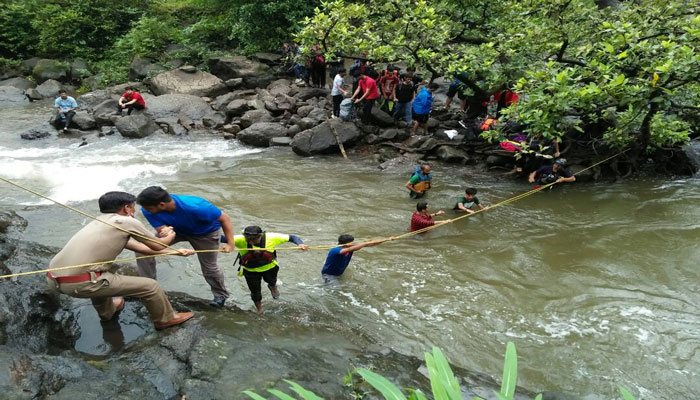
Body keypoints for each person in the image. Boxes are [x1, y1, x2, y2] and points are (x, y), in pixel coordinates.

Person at [46, 191, 195, 330]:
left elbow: (142, 248)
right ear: (126, 208)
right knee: (150, 286)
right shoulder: (126, 222)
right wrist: (170, 233)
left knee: (101, 272)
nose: (134, 211)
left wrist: (176, 252)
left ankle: (107, 312)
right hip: (80, 283)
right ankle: (165, 319)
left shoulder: (99, 222)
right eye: (133, 207)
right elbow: (157, 245)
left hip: (54, 280)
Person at [135, 186, 235, 308]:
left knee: (210, 267)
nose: (146, 211)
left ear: (161, 205)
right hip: (176, 231)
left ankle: (221, 295)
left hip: (205, 233)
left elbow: (225, 219)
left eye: (149, 208)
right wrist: (164, 230)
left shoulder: (196, 206)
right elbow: (161, 228)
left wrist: (230, 243)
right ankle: (149, 285)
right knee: (143, 249)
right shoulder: (147, 210)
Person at [232, 226, 308, 312]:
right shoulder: (239, 239)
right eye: (248, 239)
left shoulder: (271, 237)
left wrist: (300, 244)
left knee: (272, 281)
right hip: (251, 271)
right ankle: (260, 309)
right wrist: (227, 246)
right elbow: (222, 238)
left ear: (260, 236)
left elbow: (292, 237)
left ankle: (273, 287)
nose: (251, 241)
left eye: (254, 239)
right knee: (255, 293)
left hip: (270, 268)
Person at [321, 235, 388, 279]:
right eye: (351, 242)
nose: (353, 244)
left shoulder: (350, 247)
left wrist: (386, 240)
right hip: (328, 275)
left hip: (339, 273)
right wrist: (364, 244)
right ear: (346, 244)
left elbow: (370, 244)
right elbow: (349, 250)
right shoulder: (335, 250)